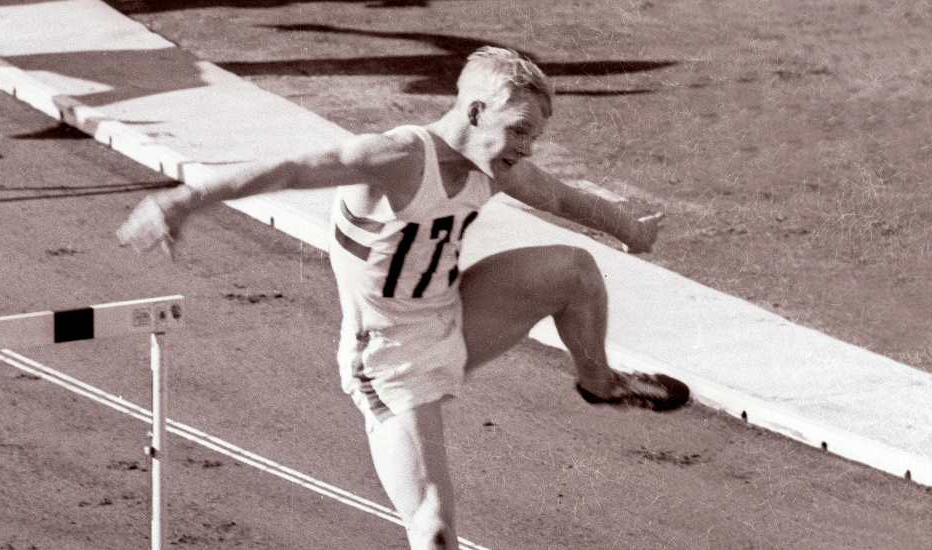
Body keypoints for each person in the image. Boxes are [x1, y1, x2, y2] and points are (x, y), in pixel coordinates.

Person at [118, 46, 688, 550]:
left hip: (454, 317)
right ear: (475, 112)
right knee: (434, 529)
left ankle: (599, 381)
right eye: (518, 130)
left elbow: (561, 198)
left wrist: (630, 231)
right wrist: (180, 202)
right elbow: (289, 168)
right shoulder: (396, 158)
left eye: (534, 136)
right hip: (389, 360)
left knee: (575, 271)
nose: (526, 147)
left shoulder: (495, 166)